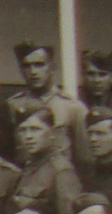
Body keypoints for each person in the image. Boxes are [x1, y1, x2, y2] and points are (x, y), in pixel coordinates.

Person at [6, 41, 89, 171]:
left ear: (52, 67)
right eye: (27, 66)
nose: (33, 71)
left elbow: (84, 159)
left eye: (39, 65)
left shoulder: (72, 108)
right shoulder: (12, 106)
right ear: (20, 70)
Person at [8, 107, 83, 214]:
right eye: (23, 130)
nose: (28, 136)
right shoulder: (28, 167)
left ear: (52, 133)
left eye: (35, 129)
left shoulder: (61, 170)